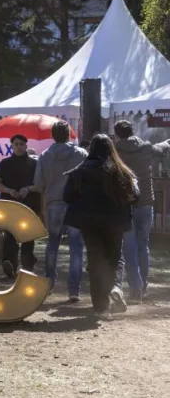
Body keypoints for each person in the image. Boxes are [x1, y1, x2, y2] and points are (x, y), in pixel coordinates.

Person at [63, 134, 139, 318]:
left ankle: (101, 308)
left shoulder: (80, 171)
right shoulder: (122, 171)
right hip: (115, 222)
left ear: (91, 149)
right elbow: (136, 196)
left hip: (90, 223)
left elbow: (66, 196)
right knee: (114, 259)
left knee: (96, 262)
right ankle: (114, 287)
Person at [112, 120, 170, 301]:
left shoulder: (114, 150)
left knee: (129, 248)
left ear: (117, 134)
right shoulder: (145, 147)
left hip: (125, 204)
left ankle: (135, 288)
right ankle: (143, 285)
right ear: (133, 130)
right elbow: (160, 148)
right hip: (146, 202)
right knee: (143, 246)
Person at [33, 121, 88, 302]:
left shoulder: (45, 155)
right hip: (76, 204)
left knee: (52, 244)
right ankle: (74, 290)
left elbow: (39, 184)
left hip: (53, 203)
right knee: (76, 247)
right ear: (68, 135)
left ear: (52, 135)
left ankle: (49, 283)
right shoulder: (81, 154)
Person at [0, 134, 41, 276]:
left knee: (28, 237)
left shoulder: (34, 164)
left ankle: (28, 268)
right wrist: (9, 191)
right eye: (16, 144)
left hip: (30, 205)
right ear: (12, 146)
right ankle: (9, 265)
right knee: (10, 236)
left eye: (22, 144)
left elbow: (40, 185)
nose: (19, 147)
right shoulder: (5, 163)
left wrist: (27, 189)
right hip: (10, 205)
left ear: (26, 146)